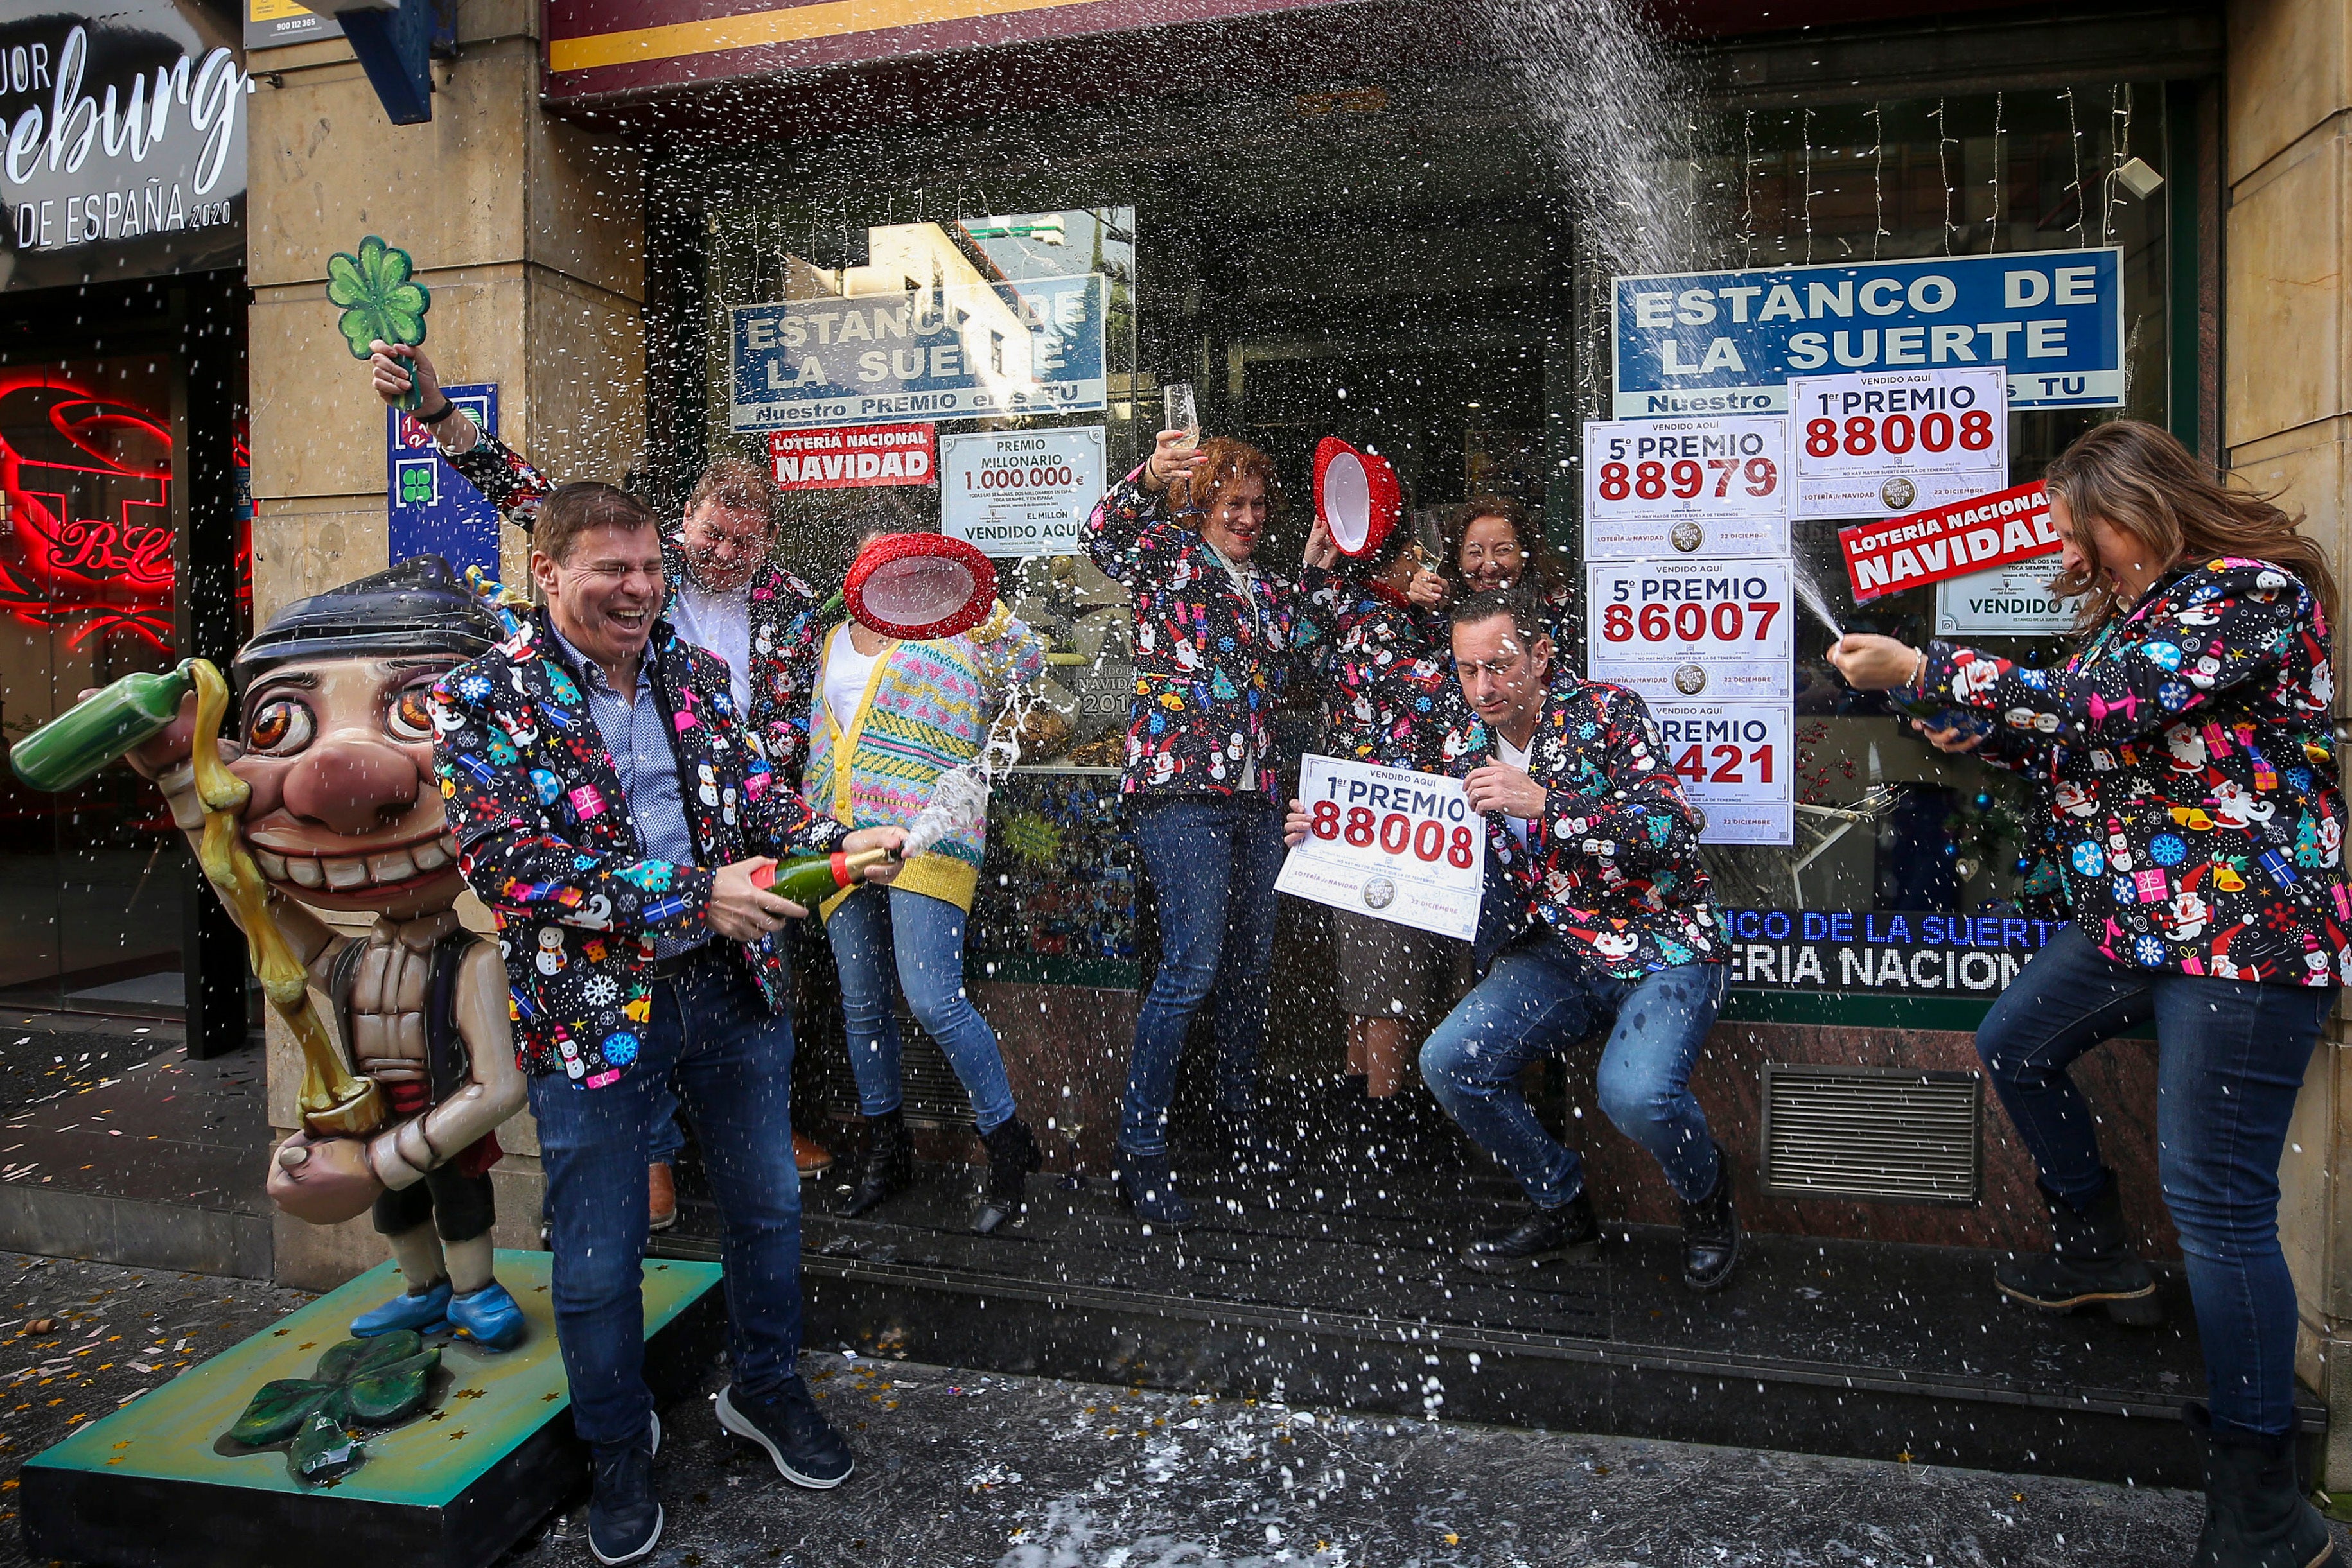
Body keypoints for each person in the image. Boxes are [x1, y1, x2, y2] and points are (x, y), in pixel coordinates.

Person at [1828, 419, 2348, 1567]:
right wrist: (1960, 717)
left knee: (2218, 1206)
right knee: (2013, 1039)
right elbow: (2072, 741)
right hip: (2134, 922)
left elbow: (2104, 711)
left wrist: (1923, 666)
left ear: (2139, 505)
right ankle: (2095, 1247)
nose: (2071, 551)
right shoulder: (2138, 614)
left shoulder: (2246, 592)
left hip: (2237, 933)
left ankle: (2264, 1500)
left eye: (2080, 528)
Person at [432, 478, 904, 1564]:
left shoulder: (692, 671)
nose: (641, 588)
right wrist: (692, 896)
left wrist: (845, 840)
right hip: (592, 1014)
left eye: (649, 566)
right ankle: (615, 1444)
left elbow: (758, 803)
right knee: (598, 1260)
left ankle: (766, 1391)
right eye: (613, 569)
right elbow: (509, 865)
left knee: (769, 1212)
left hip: (729, 995)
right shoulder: (479, 697)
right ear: (546, 572)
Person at [368, 344, 836, 1232]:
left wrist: (809, 827)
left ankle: (759, 1128)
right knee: (632, 987)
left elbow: (793, 718)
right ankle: (652, 1157)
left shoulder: (791, 604)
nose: (726, 552)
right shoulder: (630, 570)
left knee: (757, 994)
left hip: (743, 820)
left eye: (747, 538)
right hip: (615, 811)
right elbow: (538, 506)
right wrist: (439, 419)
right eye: (711, 533)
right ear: (682, 522)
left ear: (769, 540)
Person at [122, 559, 529, 1349]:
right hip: (369, 1108)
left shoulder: (470, 964)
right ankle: (423, 1287)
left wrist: (386, 1158)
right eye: (279, 725)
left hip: (430, 1124)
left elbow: (498, 1086)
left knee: (456, 1197)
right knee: (399, 1212)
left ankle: (473, 1288)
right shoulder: (346, 962)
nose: (339, 787)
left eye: (422, 711)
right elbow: (255, 902)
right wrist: (181, 781)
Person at [1292, 587, 1741, 1291]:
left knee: (1634, 1095)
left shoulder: (1606, 710)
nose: (1482, 686)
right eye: (1467, 671)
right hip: (1556, 952)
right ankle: (1561, 1206)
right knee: (1450, 1062)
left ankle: (1705, 1197)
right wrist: (1326, 832)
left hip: (1663, 941)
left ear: (1538, 655)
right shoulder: (1459, 742)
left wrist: (1549, 807)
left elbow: (1673, 829)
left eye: (1497, 667)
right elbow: (1403, 824)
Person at [1084, 426, 1338, 1227]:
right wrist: (1149, 474)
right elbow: (1100, 538)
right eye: (1235, 503)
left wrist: (1310, 574)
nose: (1250, 516)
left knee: (1248, 969)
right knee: (1190, 969)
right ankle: (1141, 1149)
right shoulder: (1166, 554)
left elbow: (1298, 654)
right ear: (1202, 504)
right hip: (1179, 792)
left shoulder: (1262, 582)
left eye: (1259, 505)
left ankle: (1236, 1119)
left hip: (1256, 794)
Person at [811, 530, 1049, 1233]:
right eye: (873, 562)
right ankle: (888, 1153)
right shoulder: (829, 641)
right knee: (861, 1006)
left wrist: (975, 598)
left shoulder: (960, 626)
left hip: (929, 834)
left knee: (932, 999)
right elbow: (824, 738)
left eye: (904, 563)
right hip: (841, 837)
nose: (889, 576)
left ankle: (1006, 1145)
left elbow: (1029, 661)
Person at [1315, 515, 1464, 1133]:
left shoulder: (1351, 607)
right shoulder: (1377, 620)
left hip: (1362, 818)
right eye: (1417, 560)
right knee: (1389, 976)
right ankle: (1387, 1119)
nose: (1425, 572)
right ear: (1398, 560)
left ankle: (1358, 1095)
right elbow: (1439, 697)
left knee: (1367, 969)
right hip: (1390, 820)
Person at [1432, 494, 1575, 643]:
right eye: (1475, 552)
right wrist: (1429, 611)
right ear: (1458, 559)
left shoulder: (1560, 605)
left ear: (1524, 554)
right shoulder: (1444, 601)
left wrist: (1551, 661)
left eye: (1503, 551)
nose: (1490, 566)